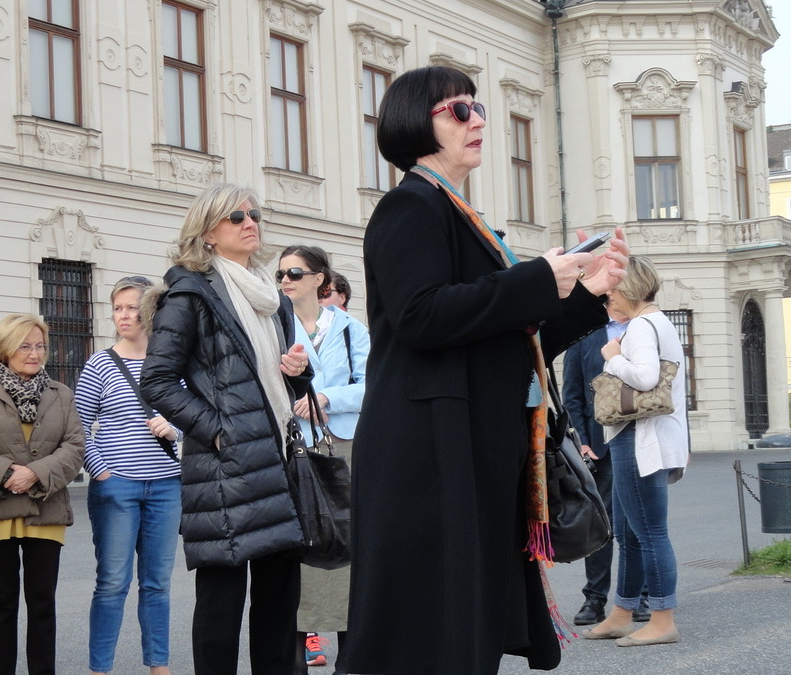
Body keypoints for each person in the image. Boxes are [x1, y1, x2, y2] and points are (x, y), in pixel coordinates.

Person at [344, 65, 629, 674]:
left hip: (465, 442)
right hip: (428, 451)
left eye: (477, 108)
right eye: (458, 110)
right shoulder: (409, 205)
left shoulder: (456, 211)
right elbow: (421, 317)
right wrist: (532, 279)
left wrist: (587, 293)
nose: (477, 120)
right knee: (432, 631)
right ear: (416, 124)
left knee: (462, 625)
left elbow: (505, 337)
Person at [140, 182, 313, 675]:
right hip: (224, 469)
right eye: (237, 217)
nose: (250, 222)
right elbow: (155, 380)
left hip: (279, 460)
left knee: (279, 607)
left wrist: (299, 372)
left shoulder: (272, 299)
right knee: (221, 607)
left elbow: (278, 384)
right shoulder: (191, 292)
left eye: (254, 214)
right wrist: (217, 431)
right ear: (209, 232)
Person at [0, 313, 85, 675]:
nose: (35, 353)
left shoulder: (61, 394)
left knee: (42, 604)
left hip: (46, 511)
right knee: (2, 604)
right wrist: (7, 474)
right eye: (25, 345)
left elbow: (74, 447)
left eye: (40, 346)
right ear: (5, 348)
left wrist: (34, 474)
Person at [74, 275, 182, 675]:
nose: (124, 315)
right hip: (116, 486)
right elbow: (79, 426)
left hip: (166, 486)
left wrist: (174, 430)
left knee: (157, 584)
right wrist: (100, 471)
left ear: (151, 311)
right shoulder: (99, 363)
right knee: (113, 583)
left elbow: (189, 413)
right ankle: (100, 669)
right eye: (118, 307)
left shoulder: (170, 361)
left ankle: (159, 666)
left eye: (132, 307)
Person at [581, 255, 688, 647]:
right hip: (645, 437)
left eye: (611, 289)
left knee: (649, 532)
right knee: (630, 531)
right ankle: (623, 613)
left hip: (639, 438)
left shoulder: (642, 325)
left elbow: (644, 378)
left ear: (630, 287)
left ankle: (662, 619)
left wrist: (613, 358)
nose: (607, 297)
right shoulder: (660, 322)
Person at [278, 245, 369, 675]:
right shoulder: (273, 327)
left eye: (295, 272)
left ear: (320, 279)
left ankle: (351, 662)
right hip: (292, 448)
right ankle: (294, 660)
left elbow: (374, 385)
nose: (286, 281)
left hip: (343, 446)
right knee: (299, 552)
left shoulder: (351, 329)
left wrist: (328, 397)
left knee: (347, 546)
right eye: (281, 275)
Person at [563, 307, 652, 627]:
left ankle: (641, 595)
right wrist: (581, 441)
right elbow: (571, 395)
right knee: (598, 525)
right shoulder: (585, 332)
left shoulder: (645, 328)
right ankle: (595, 599)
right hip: (598, 447)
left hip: (640, 440)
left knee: (637, 523)